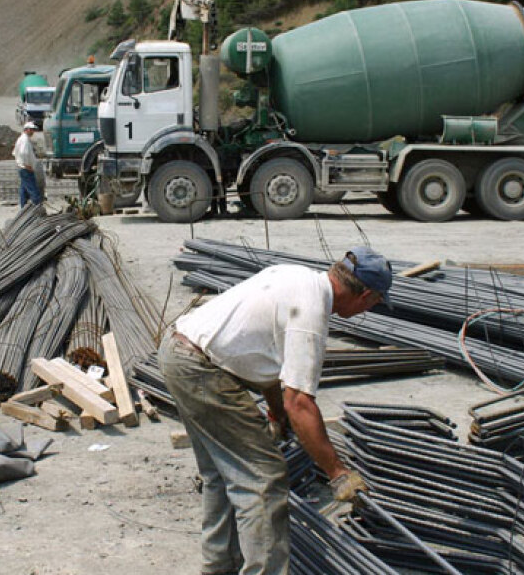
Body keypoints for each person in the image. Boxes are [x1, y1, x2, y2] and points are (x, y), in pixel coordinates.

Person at [160, 246, 393, 575]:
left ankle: (219, 568)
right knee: (264, 478)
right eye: (375, 303)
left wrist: (274, 413)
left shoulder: (298, 276)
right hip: (202, 369)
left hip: (179, 351)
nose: (370, 309)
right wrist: (338, 473)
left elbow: (268, 361)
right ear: (365, 294)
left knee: (219, 473)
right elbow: (299, 402)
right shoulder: (310, 314)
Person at [13, 121, 43, 207]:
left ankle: (23, 208)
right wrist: (26, 165)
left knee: (24, 191)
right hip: (26, 169)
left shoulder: (22, 139)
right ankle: (38, 208)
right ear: (27, 130)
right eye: (32, 129)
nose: (33, 131)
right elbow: (23, 153)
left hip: (23, 168)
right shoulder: (25, 140)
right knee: (33, 190)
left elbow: (15, 153)